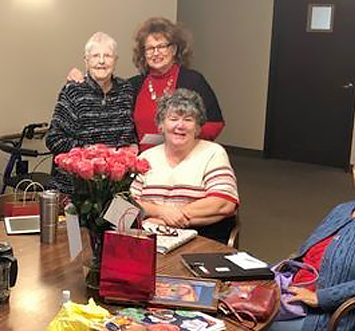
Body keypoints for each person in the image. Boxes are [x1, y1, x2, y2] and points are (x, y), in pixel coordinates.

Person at [217, 135, 355, 331]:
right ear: (353, 169)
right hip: (298, 296)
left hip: (340, 321)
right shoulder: (343, 209)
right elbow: (305, 254)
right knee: (230, 318)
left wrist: (321, 297)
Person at [67, 17, 224, 151]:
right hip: (143, 164)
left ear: (174, 49)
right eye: (150, 48)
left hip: (183, 159)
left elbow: (215, 124)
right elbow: (104, 88)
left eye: (162, 46)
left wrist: (180, 137)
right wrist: (81, 77)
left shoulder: (193, 80)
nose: (156, 53)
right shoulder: (133, 85)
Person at [129, 89, 237, 244]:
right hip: (148, 237)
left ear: (198, 127)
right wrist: (162, 212)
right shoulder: (146, 157)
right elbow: (127, 203)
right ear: (161, 125)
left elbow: (223, 203)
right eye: (173, 119)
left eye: (188, 120)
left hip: (201, 238)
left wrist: (167, 221)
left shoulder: (213, 153)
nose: (180, 126)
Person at [47, 32, 137, 194]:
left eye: (107, 56)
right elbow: (54, 140)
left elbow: (130, 134)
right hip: (76, 191)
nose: (101, 61)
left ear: (115, 60)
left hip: (115, 189)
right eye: (95, 56)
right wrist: (93, 153)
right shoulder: (73, 91)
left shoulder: (126, 90)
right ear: (86, 61)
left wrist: (133, 146)